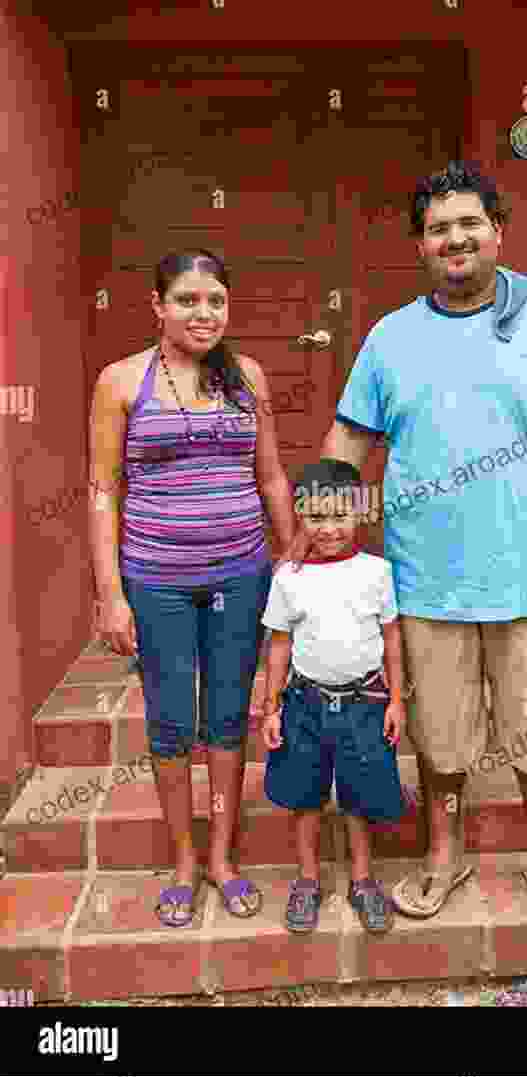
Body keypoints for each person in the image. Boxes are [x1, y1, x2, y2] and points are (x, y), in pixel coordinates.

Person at [320, 161, 527, 934]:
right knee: (440, 737)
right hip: (430, 582)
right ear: (422, 245)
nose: (454, 238)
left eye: (468, 224)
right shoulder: (393, 337)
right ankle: (444, 852)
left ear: (498, 231)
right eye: (437, 228)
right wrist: (320, 533)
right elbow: (351, 438)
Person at [88, 249, 296, 926]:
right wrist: (111, 593)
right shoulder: (120, 382)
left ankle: (221, 857)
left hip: (241, 574)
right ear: (157, 306)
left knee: (229, 719)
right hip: (157, 582)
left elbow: (269, 477)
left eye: (214, 301)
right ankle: (183, 859)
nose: (202, 313)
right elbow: (101, 492)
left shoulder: (247, 378)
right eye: (186, 299)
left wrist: (292, 561)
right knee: (173, 723)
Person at [260, 459, 408, 934]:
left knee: (359, 796)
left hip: (365, 704)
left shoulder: (377, 572)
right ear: (300, 518)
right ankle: (307, 879)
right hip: (304, 704)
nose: (329, 529)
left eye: (340, 515)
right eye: (316, 518)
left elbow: (391, 638)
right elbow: (279, 643)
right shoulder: (289, 578)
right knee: (306, 797)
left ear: (360, 514)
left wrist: (397, 700)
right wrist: (272, 706)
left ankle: (362, 879)